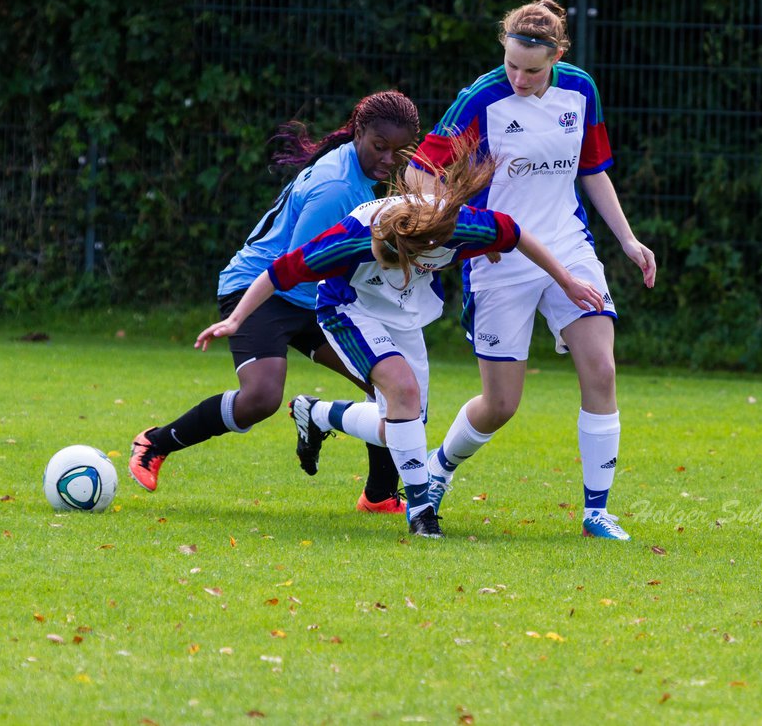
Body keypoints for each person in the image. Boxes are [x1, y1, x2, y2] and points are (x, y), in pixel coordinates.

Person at [195, 149, 605, 539]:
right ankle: (422, 513)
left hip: (405, 317)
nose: (397, 270)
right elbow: (279, 272)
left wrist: (567, 281)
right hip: (349, 311)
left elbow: (516, 234)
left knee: (403, 428)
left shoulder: (461, 225)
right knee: (403, 392)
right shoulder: (352, 237)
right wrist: (235, 319)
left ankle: (318, 414)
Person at [407, 0, 656, 541]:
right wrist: (458, 226)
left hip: (568, 246)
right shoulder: (481, 97)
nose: (518, 78)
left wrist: (628, 239)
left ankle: (596, 512)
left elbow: (592, 170)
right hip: (499, 260)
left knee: (602, 370)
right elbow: (420, 170)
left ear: (558, 56)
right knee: (501, 405)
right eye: (511, 64)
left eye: (532, 69)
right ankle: (439, 467)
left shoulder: (581, 90)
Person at [128, 91, 421, 514]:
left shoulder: (354, 167)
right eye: (380, 146)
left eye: (399, 150)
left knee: (386, 384)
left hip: (314, 296)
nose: (390, 159)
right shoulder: (338, 189)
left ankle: (378, 495)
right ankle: (155, 442)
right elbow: (299, 265)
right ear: (359, 132)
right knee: (261, 397)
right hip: (262, 288)